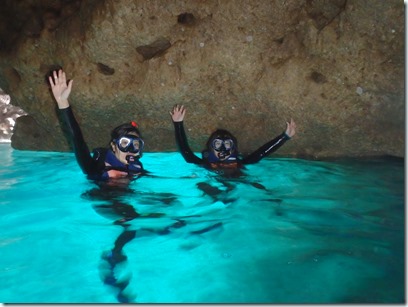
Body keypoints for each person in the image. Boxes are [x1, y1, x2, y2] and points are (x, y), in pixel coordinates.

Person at [49, 69, 145, 181]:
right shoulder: (96, 167)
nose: (130, 149)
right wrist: (63, 103)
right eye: (125, 143)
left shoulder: (137, 168)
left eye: (136, 145)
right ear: (114, 146)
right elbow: (77, 140)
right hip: (101, 197)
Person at [170, 104, 296, 175]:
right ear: (211, 148)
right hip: (213, 186)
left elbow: (261, 153)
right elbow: (186, 152)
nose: (223, 149)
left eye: (227, 145)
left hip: (238, 187)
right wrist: (178, 123)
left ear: (233, 148)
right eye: (218, 144)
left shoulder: (239, 163)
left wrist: (284, 137)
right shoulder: (206, 164)